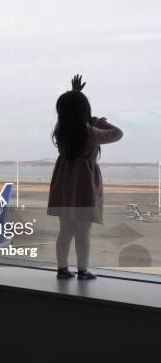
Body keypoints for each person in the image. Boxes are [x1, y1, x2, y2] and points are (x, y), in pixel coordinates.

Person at [48, 75, 123, 280]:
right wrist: (97, 121)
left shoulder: (61, 130)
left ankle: (62, 270)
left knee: (65, 231)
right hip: (84, 186)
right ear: (85, 112)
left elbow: (70, 111)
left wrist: (75, 93)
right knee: (83, 232)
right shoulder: (91, 131)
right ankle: (82, 270)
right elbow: (118, 133)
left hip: (64, 184)